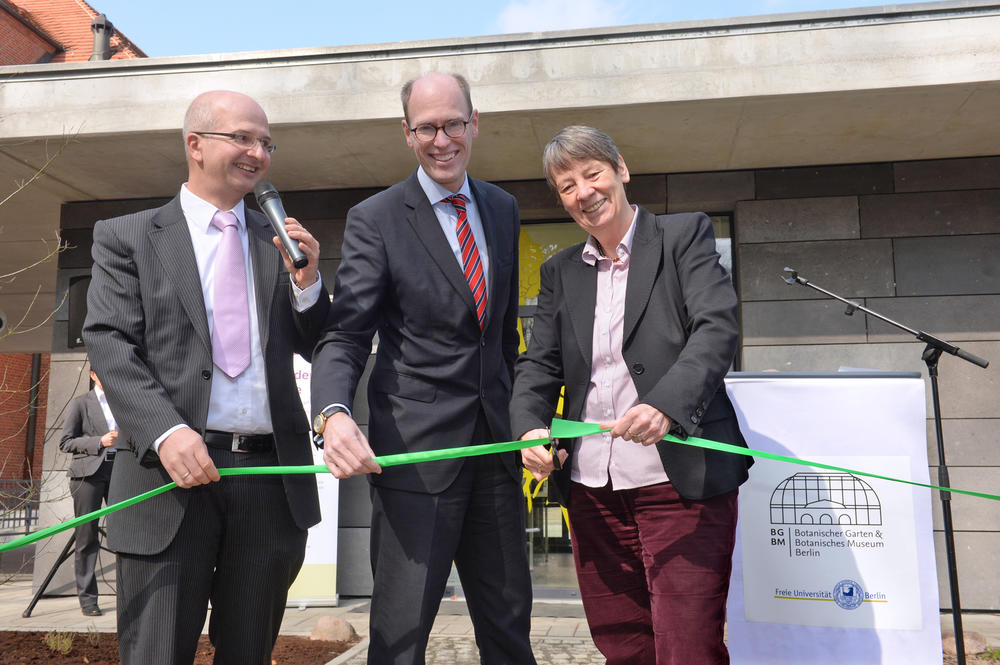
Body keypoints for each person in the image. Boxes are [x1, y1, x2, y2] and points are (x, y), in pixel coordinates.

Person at [82, 90, 330, 665]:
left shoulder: (280, 242)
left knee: (249, 652)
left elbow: (320, 342)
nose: (258, 153)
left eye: (266, 142)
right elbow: (109, 341)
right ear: (195, 144)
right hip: (166, 479)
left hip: (268, 481)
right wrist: (166, 430)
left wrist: (309, 283)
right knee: (157, 652)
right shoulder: (128, 237)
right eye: (242, 138)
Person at [309, 72, 535, 665]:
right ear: (406, 134)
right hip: (416, 459)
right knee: (401, 638)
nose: (442, 140)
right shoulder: (376, 217)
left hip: (495, 455)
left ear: (474, 123)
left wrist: (523, 420)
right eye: (426, 128)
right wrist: (331, 413)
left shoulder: (502, 207)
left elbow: (505, 336)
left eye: (452, 124)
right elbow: (347, 333)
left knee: (511, 631)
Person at [510, 125, 752, 665]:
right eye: (566, 186)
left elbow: (716, 329)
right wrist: (528, 428)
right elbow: (537, 364)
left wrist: (666, 403)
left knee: (687, 647)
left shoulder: (682, 236)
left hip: (679, 482)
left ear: (621, 169)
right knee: (621, 644)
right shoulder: (559, 271)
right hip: (592, 486)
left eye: (592, 174)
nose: (583, 193)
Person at [58, 369, 118, 616]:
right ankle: (88, 599)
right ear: (93, 375)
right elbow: (65, 442)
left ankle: (129, 594)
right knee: (86, 537)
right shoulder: (81, 403)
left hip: (120, 473)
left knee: (125, 533)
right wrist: (98, 442)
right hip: (88, 475)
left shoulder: (124, 400)